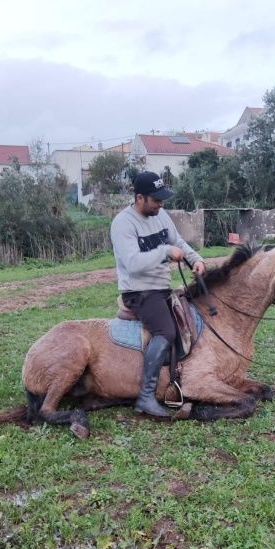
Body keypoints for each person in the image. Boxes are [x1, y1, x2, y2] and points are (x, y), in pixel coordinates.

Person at [110, 170, 206, 417]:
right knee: (165, 330)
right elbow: (132, 262)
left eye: (162, 199)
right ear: (140, 198)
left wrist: (195, 259)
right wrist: (165, 252)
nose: (161, 203)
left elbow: (178, 242)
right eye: (156, 199)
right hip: (139, 291)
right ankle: (145, 397)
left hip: (162, 287)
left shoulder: (161, 215)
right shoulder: (123, 224)